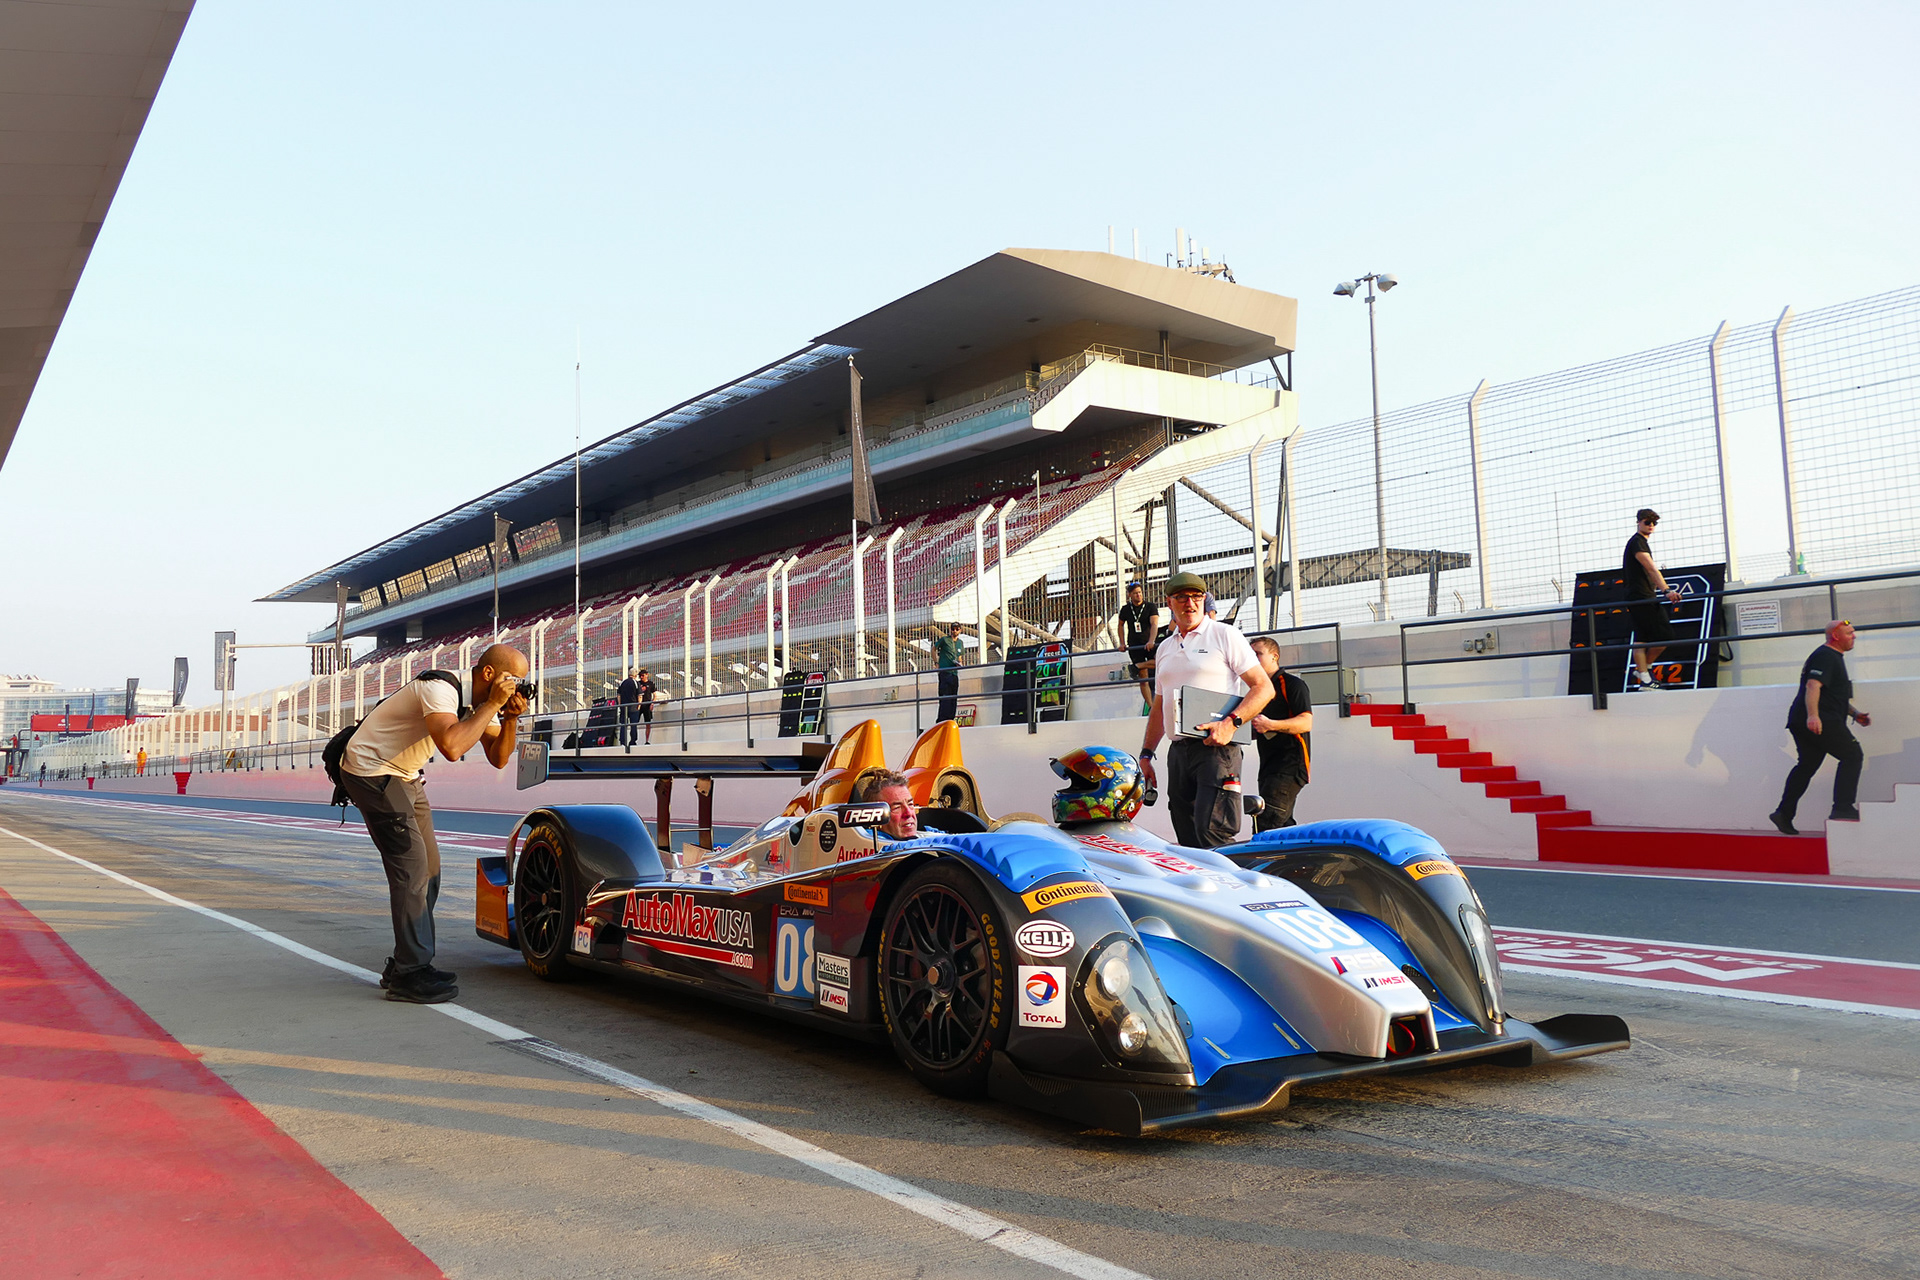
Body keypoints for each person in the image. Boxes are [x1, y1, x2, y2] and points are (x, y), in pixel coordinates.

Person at [338, 643, 530, 1004]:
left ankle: (405, 962)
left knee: (431, 871)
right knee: (412, 871)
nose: (515, 686)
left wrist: (509, 718)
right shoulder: (441, 688)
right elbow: (453, 747)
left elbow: (500, 759)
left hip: (405, 776)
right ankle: (410, 975)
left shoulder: (479, 704)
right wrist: (491, 706)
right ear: (488, 674)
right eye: (511, 679)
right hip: (371, 771)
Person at [1137, 572, 1275, 848]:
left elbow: (1264, 688)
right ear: (1170, 603)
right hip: (1178, 753)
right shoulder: (1164, 648)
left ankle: (1231, 890)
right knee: (1186, 838)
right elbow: (1159, 707)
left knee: (1213, 834)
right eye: (1182, 597)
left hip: (1217, 750)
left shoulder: (1225, 635)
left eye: (1196, 596)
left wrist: (1230, 723)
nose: (1190, 603)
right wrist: (1146, 753)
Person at [1769, 620, 1871, 834]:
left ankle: (1783, 813)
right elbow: (1813, 685)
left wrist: (1855, 714)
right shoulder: (1826, 656)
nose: (1854, 636)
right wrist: (1813, 716)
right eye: (1849, 632)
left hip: (1805, 719)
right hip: (1820, 720)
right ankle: (1843, 808)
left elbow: (1831, 695)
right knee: (1852, 755)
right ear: (1836, 636)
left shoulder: (1831, 657)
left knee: (1807, 765)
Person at [1247, 636, 1313, 830]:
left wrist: (1270, 724)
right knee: (1283, 826)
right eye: (1250, 655)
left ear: (1275, 656)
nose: (1252, 659)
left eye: (1258, 654)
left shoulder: (1292, 684)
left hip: (1289, 765)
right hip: (1269, 767)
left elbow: (1306, 722)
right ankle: (1295, 860)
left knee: (1266, 824)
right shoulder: (1256, 690)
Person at [1622, 508, 1682, 691]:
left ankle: (1644, 674)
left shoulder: (1638, 542)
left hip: (1640, 595)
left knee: (1642, 638)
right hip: (1641, 596)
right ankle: (1644, 672)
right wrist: (1667, 590)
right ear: (1638, 522)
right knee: (1664, 635)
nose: (1651, 526)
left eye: (1654, 523)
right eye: (1647, 522)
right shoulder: (1638, 543)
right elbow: (1651, 569)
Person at [1118, 583, 1160, 712]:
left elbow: (1154, 624)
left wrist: (1151, 640)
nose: (1139, 595)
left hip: (1148, 643)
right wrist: (1122, 643)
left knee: (1159, 662)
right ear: (1130, 595)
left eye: (1140, 592)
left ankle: (1137, 666)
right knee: (1143, 678)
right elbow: (1120, 625)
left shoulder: (1150, 607)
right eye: (1136, 593)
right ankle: (1151, 707)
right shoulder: (1125, 609)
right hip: (1134, 644)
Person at [853, 768, 920, 841]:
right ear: (874, 816)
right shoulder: (872, 842)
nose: (909, 813)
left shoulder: (928, 834)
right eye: (897, 808)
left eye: (910, 804)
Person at [934, 622, 963, 723]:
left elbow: (960, 656)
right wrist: (936, 663)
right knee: (945, 697)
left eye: (957, 629)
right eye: (953, 629)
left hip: (954, 673)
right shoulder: (945, 640)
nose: (954, 631)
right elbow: (934, 649)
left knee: (953, 698)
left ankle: (951, 719)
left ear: (960, 630)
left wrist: (959, 663)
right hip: (945, 672)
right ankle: (942, 721)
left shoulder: (960, 643)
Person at [636, 667, 663, 744]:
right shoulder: (638, 683)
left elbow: (655, 695)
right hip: (639, 705)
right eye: (640, 676)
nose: (641, 677)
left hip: (647, 705)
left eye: (642, 675)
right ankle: (634, 739)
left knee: (648, 723)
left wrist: (652, 703)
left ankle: (647, 740)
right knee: (634, 722)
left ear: (646, 675)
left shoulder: (651, 684)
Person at [617, 668, 642, 750]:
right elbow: (639, 695)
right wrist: (639, 704)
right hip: (633, 706)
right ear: (635, 675)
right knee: (633, 724)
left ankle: (622, 741)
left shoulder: (623, 683)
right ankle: (633, 741)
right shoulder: (636, 683)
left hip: (624, 706)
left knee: (623, 724)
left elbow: (619, 695)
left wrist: (620, 704)